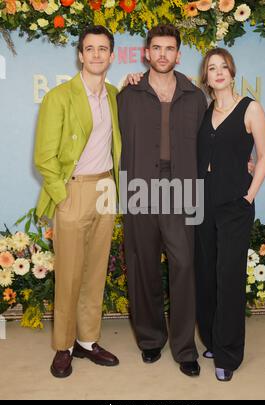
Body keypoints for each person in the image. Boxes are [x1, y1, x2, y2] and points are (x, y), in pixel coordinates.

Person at [117, 24, 208, 377]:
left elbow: (209, 142)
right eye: (156, 48)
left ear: (178, 54)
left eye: (169, 49)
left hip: (182, 189)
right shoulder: (127, 94)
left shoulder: (195, 95)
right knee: (143, 266)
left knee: (184, 265)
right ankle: (151, 339)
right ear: (146, 53)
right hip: (140, 188)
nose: (162, 55)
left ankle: (185, 347)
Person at [34, 25, 122, 378]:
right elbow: (44, 157)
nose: (97, 54)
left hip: (106, 190)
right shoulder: (59, 96)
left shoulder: (115, 94)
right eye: (90, 48)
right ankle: (64, 346)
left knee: (95, 271)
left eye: (103, 49)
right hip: (74, 190)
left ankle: (87, 341)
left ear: (112, 56)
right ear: (80, 55)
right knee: (69, 274)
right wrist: (62, 196)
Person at [195, 48, 265, 382]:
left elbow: (264, 156)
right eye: (212, 68)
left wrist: (249, 195)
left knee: (229, 278)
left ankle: (228, 355)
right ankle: (212, 339)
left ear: (232, 71)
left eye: (223, 66)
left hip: (235, 206)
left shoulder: (250, 108)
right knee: (207, 274)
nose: (219, 72)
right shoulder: (204, 109)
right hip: (204, 203)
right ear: (206, 77)